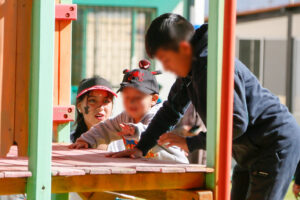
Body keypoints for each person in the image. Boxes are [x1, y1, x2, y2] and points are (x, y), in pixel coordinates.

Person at [107, 14, 300, 200]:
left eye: (166, 60)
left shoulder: (213, 66)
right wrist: (141, 147)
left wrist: (191, 143)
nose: (166, 68)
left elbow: (237, 122)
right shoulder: (190, 72)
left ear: (183, 49)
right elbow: (170, 110)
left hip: (273, 141)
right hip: (246, 148)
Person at [69, 60, 189, 163]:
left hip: (175, 167)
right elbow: (105, 128)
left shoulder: (158, 115)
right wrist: (86, 140)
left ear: (153, 99)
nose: (131, 102)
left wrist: (136, 130)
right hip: (153, 170)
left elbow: (154, 130)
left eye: (138, 97)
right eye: (127, 97)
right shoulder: (125, 117)